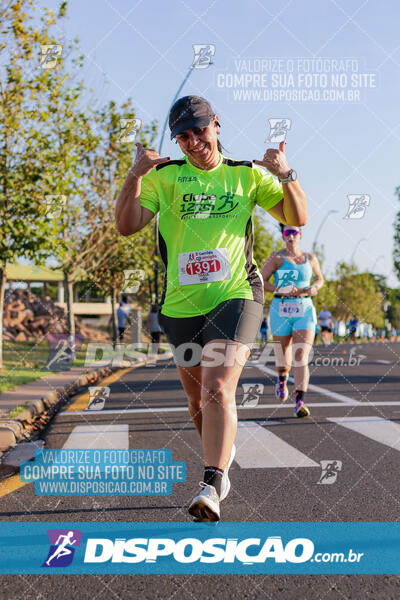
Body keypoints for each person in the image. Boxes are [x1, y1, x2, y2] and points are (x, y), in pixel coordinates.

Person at [115, 95, 307, 521]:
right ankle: (221, 457)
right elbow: (126, 226)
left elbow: (299, 215)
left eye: (199, 130)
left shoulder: (245, 176)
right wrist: (134, 175)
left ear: (216, 125)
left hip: (236, 294)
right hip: (181, 305)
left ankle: (211, 481)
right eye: (182, 136)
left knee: (218, 388)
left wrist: (285, 173)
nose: (192, 141)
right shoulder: (163, 178)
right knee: (198, 401)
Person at [261, 223, 324, 418]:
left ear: (300, 235)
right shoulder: (277, 258)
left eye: (294, 232)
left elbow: (320, 279)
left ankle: (299, 402)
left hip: (304, 309)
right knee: (283, 358)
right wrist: (278, 289)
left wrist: (315, 287)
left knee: (301, 356)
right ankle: (281, 378)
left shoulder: (310, 258)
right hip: (281, 308)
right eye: (286, 233)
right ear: (283, 236)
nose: (290, 236)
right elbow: (261, 280)